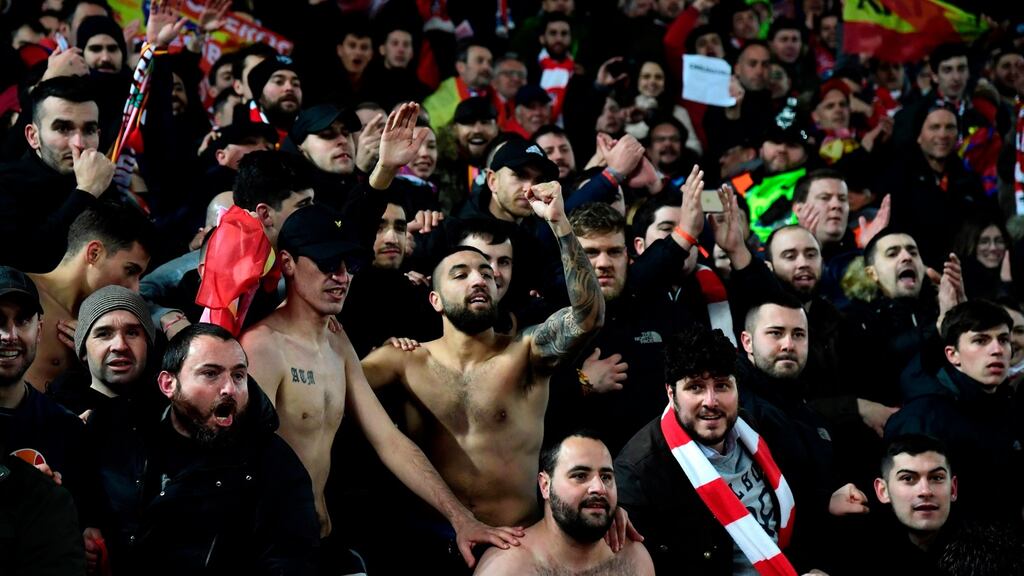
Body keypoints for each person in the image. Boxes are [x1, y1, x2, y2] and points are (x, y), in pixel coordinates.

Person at [241, 204, 521, 573]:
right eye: (327, 264)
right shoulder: (262, 346)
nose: (341, 277)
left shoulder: (337, 343)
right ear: (289, 263)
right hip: (270, 549)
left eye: (349, 266)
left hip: (325, 540)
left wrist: (461, 519)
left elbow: (388, 439)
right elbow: (241, 462)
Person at [361, 171, 608, 569]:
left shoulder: (525, 354)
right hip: (426, 542)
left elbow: (589, 315)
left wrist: (561, 225)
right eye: (461, 275)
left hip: (515, 544)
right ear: (435, 300)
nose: (479, 279)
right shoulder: (401, 361)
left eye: (488, 275)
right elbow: (334, 388)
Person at [85, 323, 320, 574]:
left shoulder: (273, 462)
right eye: (211, 373)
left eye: (238, 375)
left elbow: (292, 560)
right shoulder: (118, 433)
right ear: (168, 384)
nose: (230, 388)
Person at [615, 325, 831, 574]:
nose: (710, 401)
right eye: (695, 387)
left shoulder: (755, 429)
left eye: (721, 386)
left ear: (737, 388)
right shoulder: (638, 474)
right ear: (671, 394)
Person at [885, 300, 1024, 525]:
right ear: (952, 355)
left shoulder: (1012, 409)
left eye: (1004, 340)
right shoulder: (922, 418)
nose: (997, 349)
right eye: (980, 340)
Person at [474, 431, 655, 575]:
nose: (599, 488)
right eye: (580, 476)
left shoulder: (634, 558)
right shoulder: (506, 567)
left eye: (606, 477)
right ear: (545, 485)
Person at [25, 202, 153, 393]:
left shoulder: (114, 322)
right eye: (130, 270)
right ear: (94, 253)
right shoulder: (18, 294)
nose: (134, 288)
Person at [0, 76, 114, 272]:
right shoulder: (6, 184)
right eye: (63, 128)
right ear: (33, 136)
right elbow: (27, 257)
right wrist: (85, 192)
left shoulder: (103, 179)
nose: (78, 142)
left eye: (89, 130)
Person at [0, 266, 85, 501]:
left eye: (22, 320)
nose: (10, 335)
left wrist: (51, 503)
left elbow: (84, 525)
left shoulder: (66, 427)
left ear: (38, 330)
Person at [49, 285, 157, 418]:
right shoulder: (53, 419)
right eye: (104, 334)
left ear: (148, 345)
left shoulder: (170, 412)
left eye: (132, 333)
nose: (120, 346)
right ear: (83, 351)